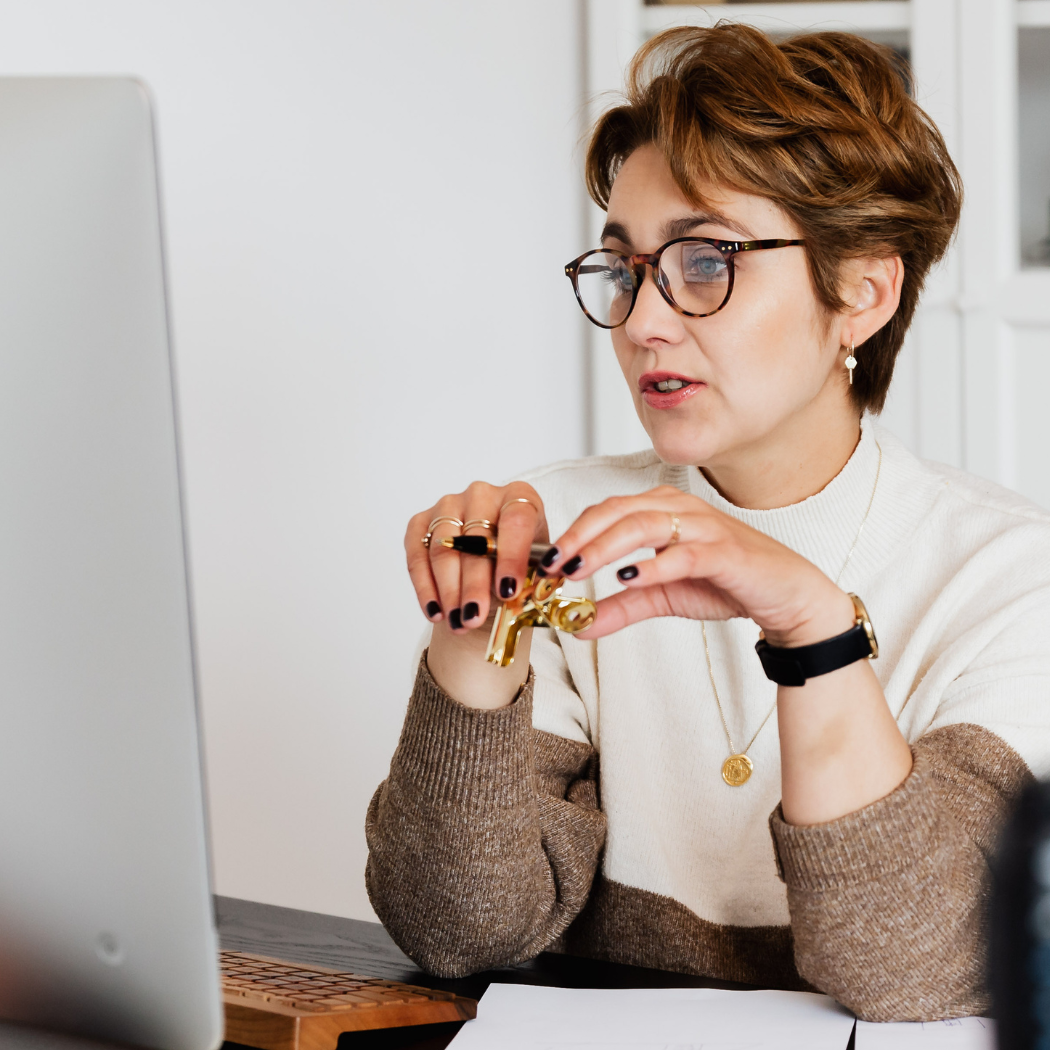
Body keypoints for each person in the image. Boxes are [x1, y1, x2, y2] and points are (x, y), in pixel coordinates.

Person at [365, 23, 1050, 1021]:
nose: (644, 322)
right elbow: (458, 929)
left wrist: (814, 629)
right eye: (625, 269)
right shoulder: (561, 526)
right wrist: (473, 631)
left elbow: (916, 967)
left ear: (862, 290)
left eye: (704, 262)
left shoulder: (1007, 576)